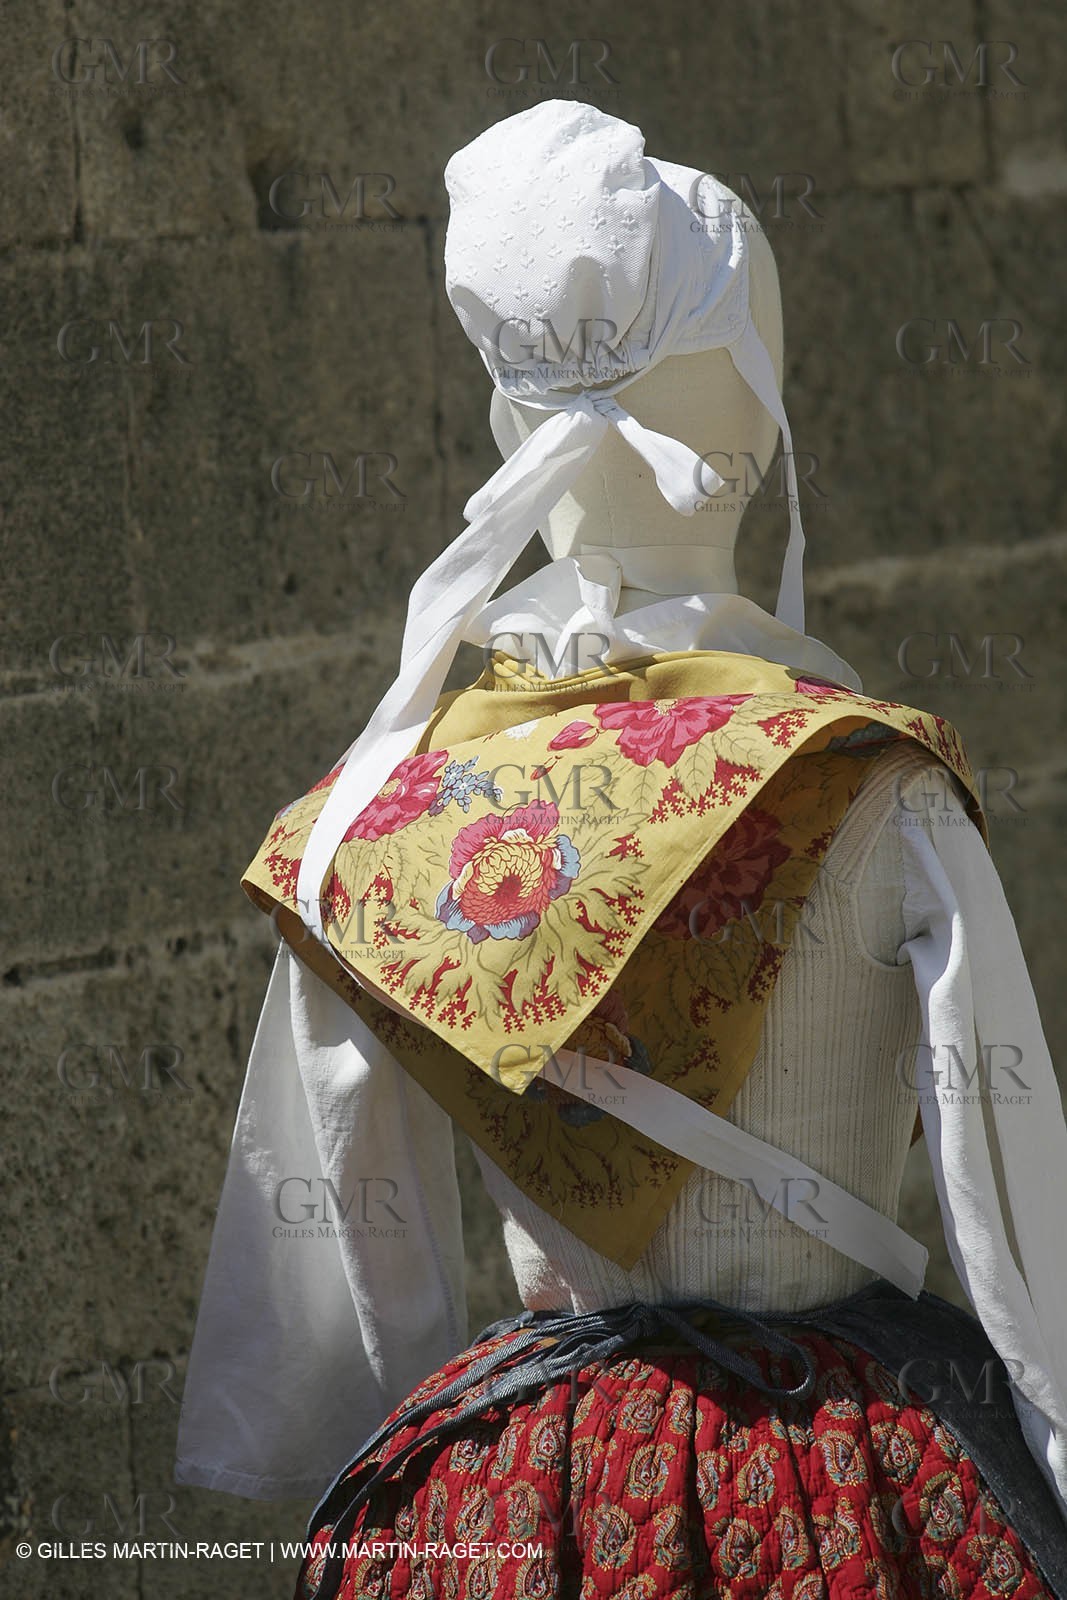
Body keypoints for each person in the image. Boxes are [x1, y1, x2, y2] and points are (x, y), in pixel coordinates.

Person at [176, 101, 1067, 1599]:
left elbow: (353, 1253)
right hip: (835, 1470)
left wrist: (395, 1457)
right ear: (747, 427)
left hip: (523, 1488)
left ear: (511, 421)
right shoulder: (870, 781)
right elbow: (1016, 1214)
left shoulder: (371, 820)